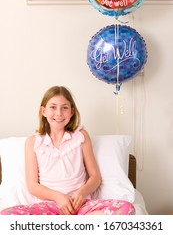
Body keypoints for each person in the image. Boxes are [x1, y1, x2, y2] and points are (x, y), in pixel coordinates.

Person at [0, 86, 135, 215]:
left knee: (127, 208)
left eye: (64, 108)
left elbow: (95, 177)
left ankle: (76, 224)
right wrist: (59, 198)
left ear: (72, 112)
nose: (59, 113)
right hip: (49, 206)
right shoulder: (33, 142)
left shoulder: (81, 136)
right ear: (43, 111)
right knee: (6, 215)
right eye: (53, 107)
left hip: (81, 205)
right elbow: (32, 185)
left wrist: (81, 193)